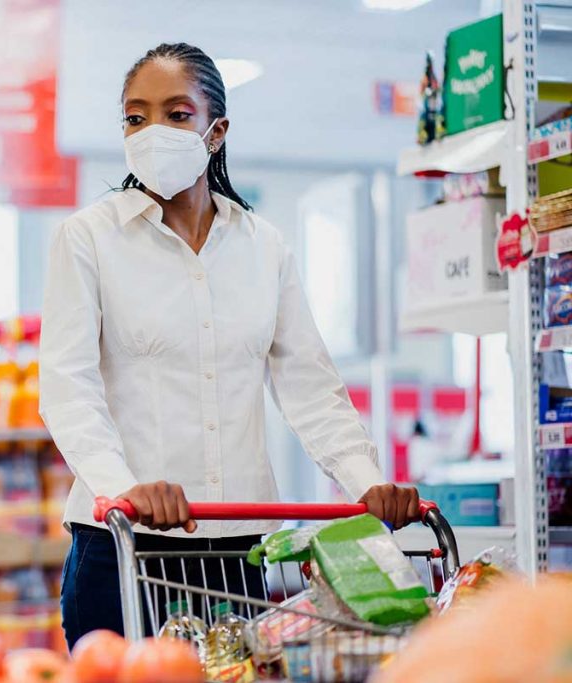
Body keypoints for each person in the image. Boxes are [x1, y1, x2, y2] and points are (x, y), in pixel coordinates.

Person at [38, 43, 420, 650]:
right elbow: (67, 388)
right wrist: (124, 488)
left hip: (236, 553)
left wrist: (365, 481)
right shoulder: (88, 239)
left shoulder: (264, 247)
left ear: (216, 131)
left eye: (176, 114)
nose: (153, 131)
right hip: (122, 548)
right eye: (137, 117)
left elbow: (311, 387)